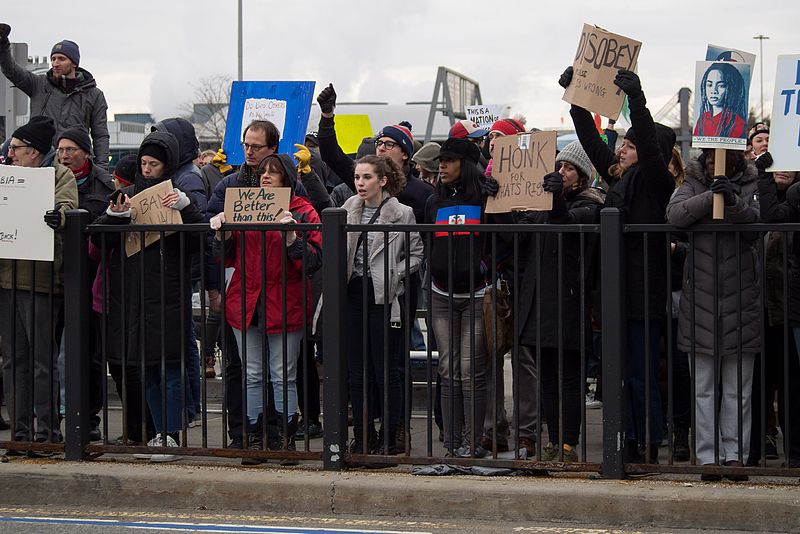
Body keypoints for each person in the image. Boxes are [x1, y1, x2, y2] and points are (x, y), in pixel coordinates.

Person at [561, 66, 676, 463]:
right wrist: (576, 100)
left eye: (629, 145)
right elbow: (591, 143)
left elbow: (648, 139)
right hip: (616, 290)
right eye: (623, 145)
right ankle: (624, 440)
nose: (622, 149)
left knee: (642, 373)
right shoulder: (619, 179)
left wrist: (638, 99)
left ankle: (648, 441)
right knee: (619, 374)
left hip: (644, 291)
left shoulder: (659, 182)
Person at [92, 131, 205, 462]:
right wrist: (114, 217)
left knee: (170, 367)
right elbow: (97, 241)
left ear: (166, 165)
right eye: (143, 163)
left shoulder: (177, 195)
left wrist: (187, 210)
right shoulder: (125, 196)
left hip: (167, 293)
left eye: (154, 164)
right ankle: (158, 432)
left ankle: (170, 434)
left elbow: (200, 244)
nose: (147, 169)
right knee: (147, 369)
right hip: (133, 297)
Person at [210, 153, 322, 465]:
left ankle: (285, 441)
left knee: (282, 374)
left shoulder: (302, 210)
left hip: (285, 302)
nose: (265, 177)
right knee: (253, 374)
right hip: (246, 302)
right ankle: (254, 439)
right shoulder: (244, 204)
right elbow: (226, 258)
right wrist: (222, 236)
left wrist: (292, 239)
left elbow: (313, 260)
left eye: (273, 172)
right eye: (262, 172)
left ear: (287, 177)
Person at [666, 148, 760, 481]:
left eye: (719, 154)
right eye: (708, 153)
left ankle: (735, 455)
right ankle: (708, 457)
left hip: (741, 298)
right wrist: (709, 197)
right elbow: (674, 215)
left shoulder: (751, 183)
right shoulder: (692, 181)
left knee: (738, 388)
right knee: (703, 387)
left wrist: (732, 201)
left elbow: (754, 226)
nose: (711, 159)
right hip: (700, 300)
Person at [514, 142, 604, 462]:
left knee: (569, 377)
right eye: (558, 166)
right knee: (548, 378)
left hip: (568, 302)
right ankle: (553, 440)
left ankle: (568, 442)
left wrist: (552, 199)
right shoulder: (542, 205)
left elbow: (564, 221)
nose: (561, 172)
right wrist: (496, 200)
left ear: (581, 175)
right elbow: (519, 234)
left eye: (567, 168)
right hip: (539, 301)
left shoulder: (591, 204)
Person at [0, 116, 78, 452]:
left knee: (42, 360)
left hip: (42, 280)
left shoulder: (59, 175)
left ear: (33, 152)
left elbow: (68, 207)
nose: (10, 154)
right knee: (13, 359)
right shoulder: (5, 178)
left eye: (16, 148)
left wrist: (58, 216)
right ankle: (20, 434)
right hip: (7, 279)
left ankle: (47, 433)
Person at [341, 154, 423, 456]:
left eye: (367, 178)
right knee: (357, 370)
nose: (361, 184)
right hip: (352, 291)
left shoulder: (402, 213)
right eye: (358, 178)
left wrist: (393, 273)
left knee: (385, 367)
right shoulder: (348, 208)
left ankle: (390, 436)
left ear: (383, 180)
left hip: (384, 294)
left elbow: (416, 254)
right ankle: (363, 435)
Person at [424, 137, 491, 458]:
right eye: (441, 161)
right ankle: (452, 443)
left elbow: (502, 240)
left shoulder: (486, 199)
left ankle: (473, 441)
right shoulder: (434, 202)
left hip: (478, 294)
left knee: (470, 371)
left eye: (449, 161)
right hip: (441, 294)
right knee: (448, 370)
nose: (442, 166)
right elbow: (427, 243)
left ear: (466, 164)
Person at [56, 127, 115, 441]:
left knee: (90, 354)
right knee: (52, 352)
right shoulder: (47, 180)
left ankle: (89, 419)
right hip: (55, 277)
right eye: (61, 150)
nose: (64, 156)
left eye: (71, 150)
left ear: (86, 152)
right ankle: (53, 418)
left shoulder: (104, 185)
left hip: (91, 281)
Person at [0, 25, 110, 168]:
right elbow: (11, 70)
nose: (55, 63)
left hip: (73, 163)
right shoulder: (38, 84)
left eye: (61, 59)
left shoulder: (94, 95)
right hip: (41, 161)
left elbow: (100, 134)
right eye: (53, 59)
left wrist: (101, 168)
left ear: (74, 63)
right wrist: (3, 45)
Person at [754, 151, 800, 470]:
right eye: (774, 163)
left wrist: (765, 180)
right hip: (761, 310)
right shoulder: (754, 196)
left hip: (789, 309)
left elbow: (774, 216)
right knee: (759, 382)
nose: (779, 170)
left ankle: (795, 451)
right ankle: (758, 446)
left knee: (791, 385)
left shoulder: (792, 199)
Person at [693, 63, 747, 140]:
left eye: (721, 86)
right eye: (709, 84)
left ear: (731, 88)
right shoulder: (703, 118)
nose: (714, 91)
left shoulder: (737, 123)